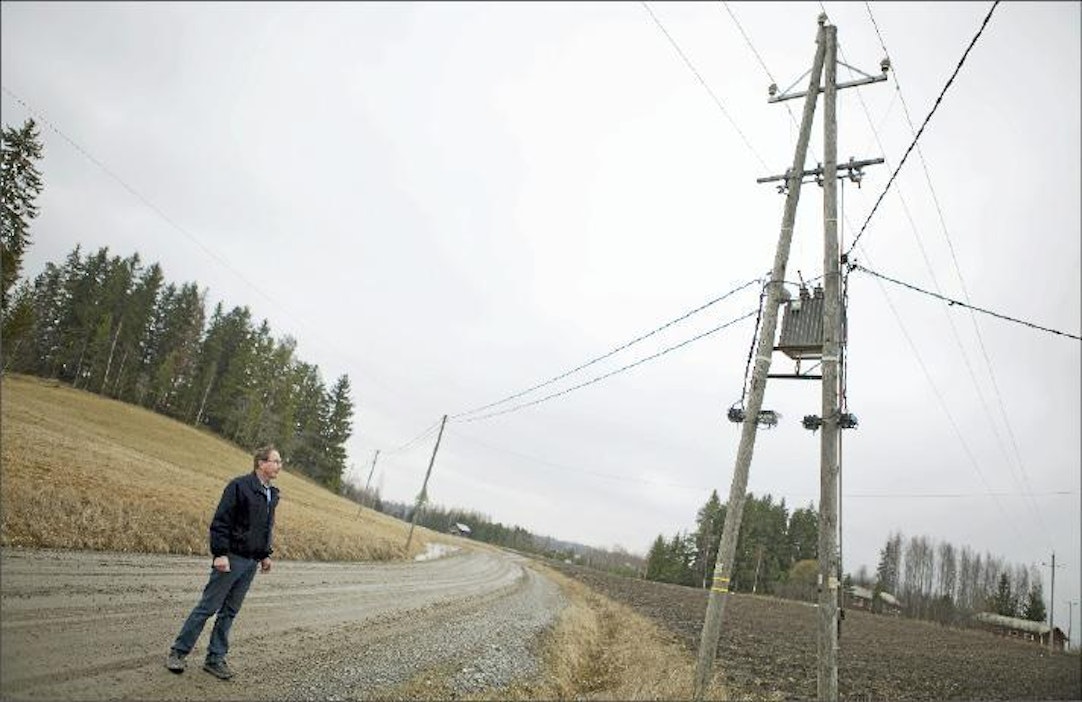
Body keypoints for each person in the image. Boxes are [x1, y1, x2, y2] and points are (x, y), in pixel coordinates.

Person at [165, 445, 282, 680]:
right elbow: (221, 522)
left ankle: (215, 658)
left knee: (230, 612)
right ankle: (178, 652)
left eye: (280, 462)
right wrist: (219, 554)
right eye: (276, 461)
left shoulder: (272, 493)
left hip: (249, 563)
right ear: (261, 463)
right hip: (231, 559)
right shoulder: (239, 486)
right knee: (207, 608)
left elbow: (264, 528)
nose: (280, 466)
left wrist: (264, 554)